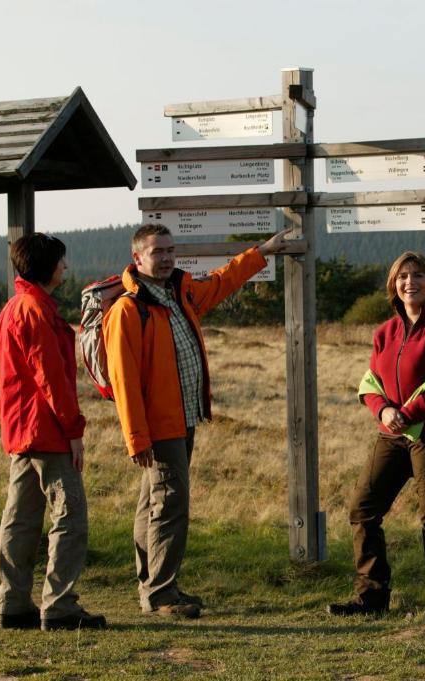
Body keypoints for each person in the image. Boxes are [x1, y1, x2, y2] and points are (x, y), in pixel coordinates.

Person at [104, 223, 289, 619]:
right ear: (137, 258)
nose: (167, 257)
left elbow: (223, 282)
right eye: (158, 251)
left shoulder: (179, 293)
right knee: (170, 507)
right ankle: (161, 595)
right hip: (160, 426)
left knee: (151, 505)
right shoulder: (128, 310)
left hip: (184, 419)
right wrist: (137, 438)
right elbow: (124, 381)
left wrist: (263, 251)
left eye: (171, 249)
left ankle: (152, 584)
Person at [328, 251, 425, 621]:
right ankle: (371, 597)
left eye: (418, 275)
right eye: (403, 276)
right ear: (394, 284)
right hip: (390, 436)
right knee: (362, 510)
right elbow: (370, 383)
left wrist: (407, 413)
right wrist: (383, 410)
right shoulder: (384, 332)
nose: (411, 282)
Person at [0, 233, 105, 631]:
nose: (66, 267)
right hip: (47, 429)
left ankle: (13, 602)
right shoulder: (36, 310)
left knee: (21, 518)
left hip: (21, 429)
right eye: (61, 261)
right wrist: (73, 430)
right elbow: (52, 377)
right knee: (70, 514)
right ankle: (59, 606)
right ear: (47, 265)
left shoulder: (14, 307)